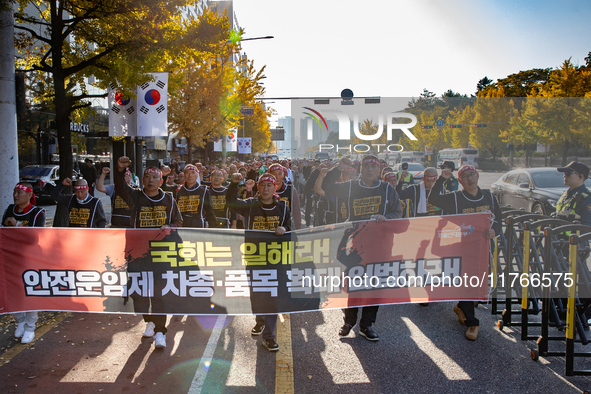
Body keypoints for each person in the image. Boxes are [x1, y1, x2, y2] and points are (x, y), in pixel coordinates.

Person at [322, 155, 403, 340]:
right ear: (360, 169)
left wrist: (387, 218)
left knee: (374, 286)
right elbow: (327, 187)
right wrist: (337, 168)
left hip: (380, 245)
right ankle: (349, 321)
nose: (369, 170)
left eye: (373, 167)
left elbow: (398, 212)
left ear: (379, 170)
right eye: (366, 166)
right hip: (354, 245)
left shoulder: (387, 189)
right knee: (353, 284)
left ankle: (367, 325)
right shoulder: (351, 187)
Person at [115, 156, 183, 349]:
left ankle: (161, 331)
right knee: (139, 292)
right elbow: (120, 188)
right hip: (138, 253)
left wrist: (169, 226)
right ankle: (150, 320)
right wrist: (119, 170)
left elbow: (179, 222)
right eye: (147, 177)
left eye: (155, 177)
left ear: (161, 181)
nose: (151, 180)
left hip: (162, 253)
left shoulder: (169, 199)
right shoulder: (135, 196)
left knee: (160, 292)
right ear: (142, 180)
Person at [428, 165, 502, 341]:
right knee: (467, 283)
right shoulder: (455, 198)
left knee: (479, 282)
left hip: (484, 248)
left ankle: (461, 306)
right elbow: (433, 198)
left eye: (472, 175)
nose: (470, 179)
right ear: (460, 181)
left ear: (477, 176)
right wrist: (442, 178)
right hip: (462, 248)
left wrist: (495, 231)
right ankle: (472, 322)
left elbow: (499, 219)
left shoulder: (489, 196)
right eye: (465, 177)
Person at [226, 173, 291, 352]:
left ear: (274, 188)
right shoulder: (250, 205)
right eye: (262, 185)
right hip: (254, 258)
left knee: (271, 296)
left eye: (269, 186)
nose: (265, 189)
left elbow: (290, 227)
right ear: (258, 188)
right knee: (256, 295)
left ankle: (269, 336)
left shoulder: (284, 207)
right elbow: (231, 203)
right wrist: (234, 183)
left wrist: (284, 228)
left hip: (274, 259)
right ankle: (259, 320)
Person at [3, 182, 46, 344]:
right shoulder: (9, 209)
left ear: (30, 195)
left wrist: (17, 225)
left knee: (29, 293)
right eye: (14, 192)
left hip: (30, 259)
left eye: (20, 193)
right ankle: (20, 320)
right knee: (13, 292)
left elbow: (35, 237)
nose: (16, 195)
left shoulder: (37, 213)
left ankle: (30, 326)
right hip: (11, 258)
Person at [554, 161, 591, 226]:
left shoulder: (587, 199)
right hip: (557, 235)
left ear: (581, 176)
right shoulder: (566, 194)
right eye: (564, 173)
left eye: (568, 173)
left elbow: (587, 228)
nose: (564, 176)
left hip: (575, 236)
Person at [268, 163, 301, 229]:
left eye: (280, 174)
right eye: (274, 174)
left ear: (283, 175)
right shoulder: (264, 190)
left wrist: (298, 228)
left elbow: (296, 211)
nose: (277, 177)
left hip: (287, 226)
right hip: (269, 227)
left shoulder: (291, 190)